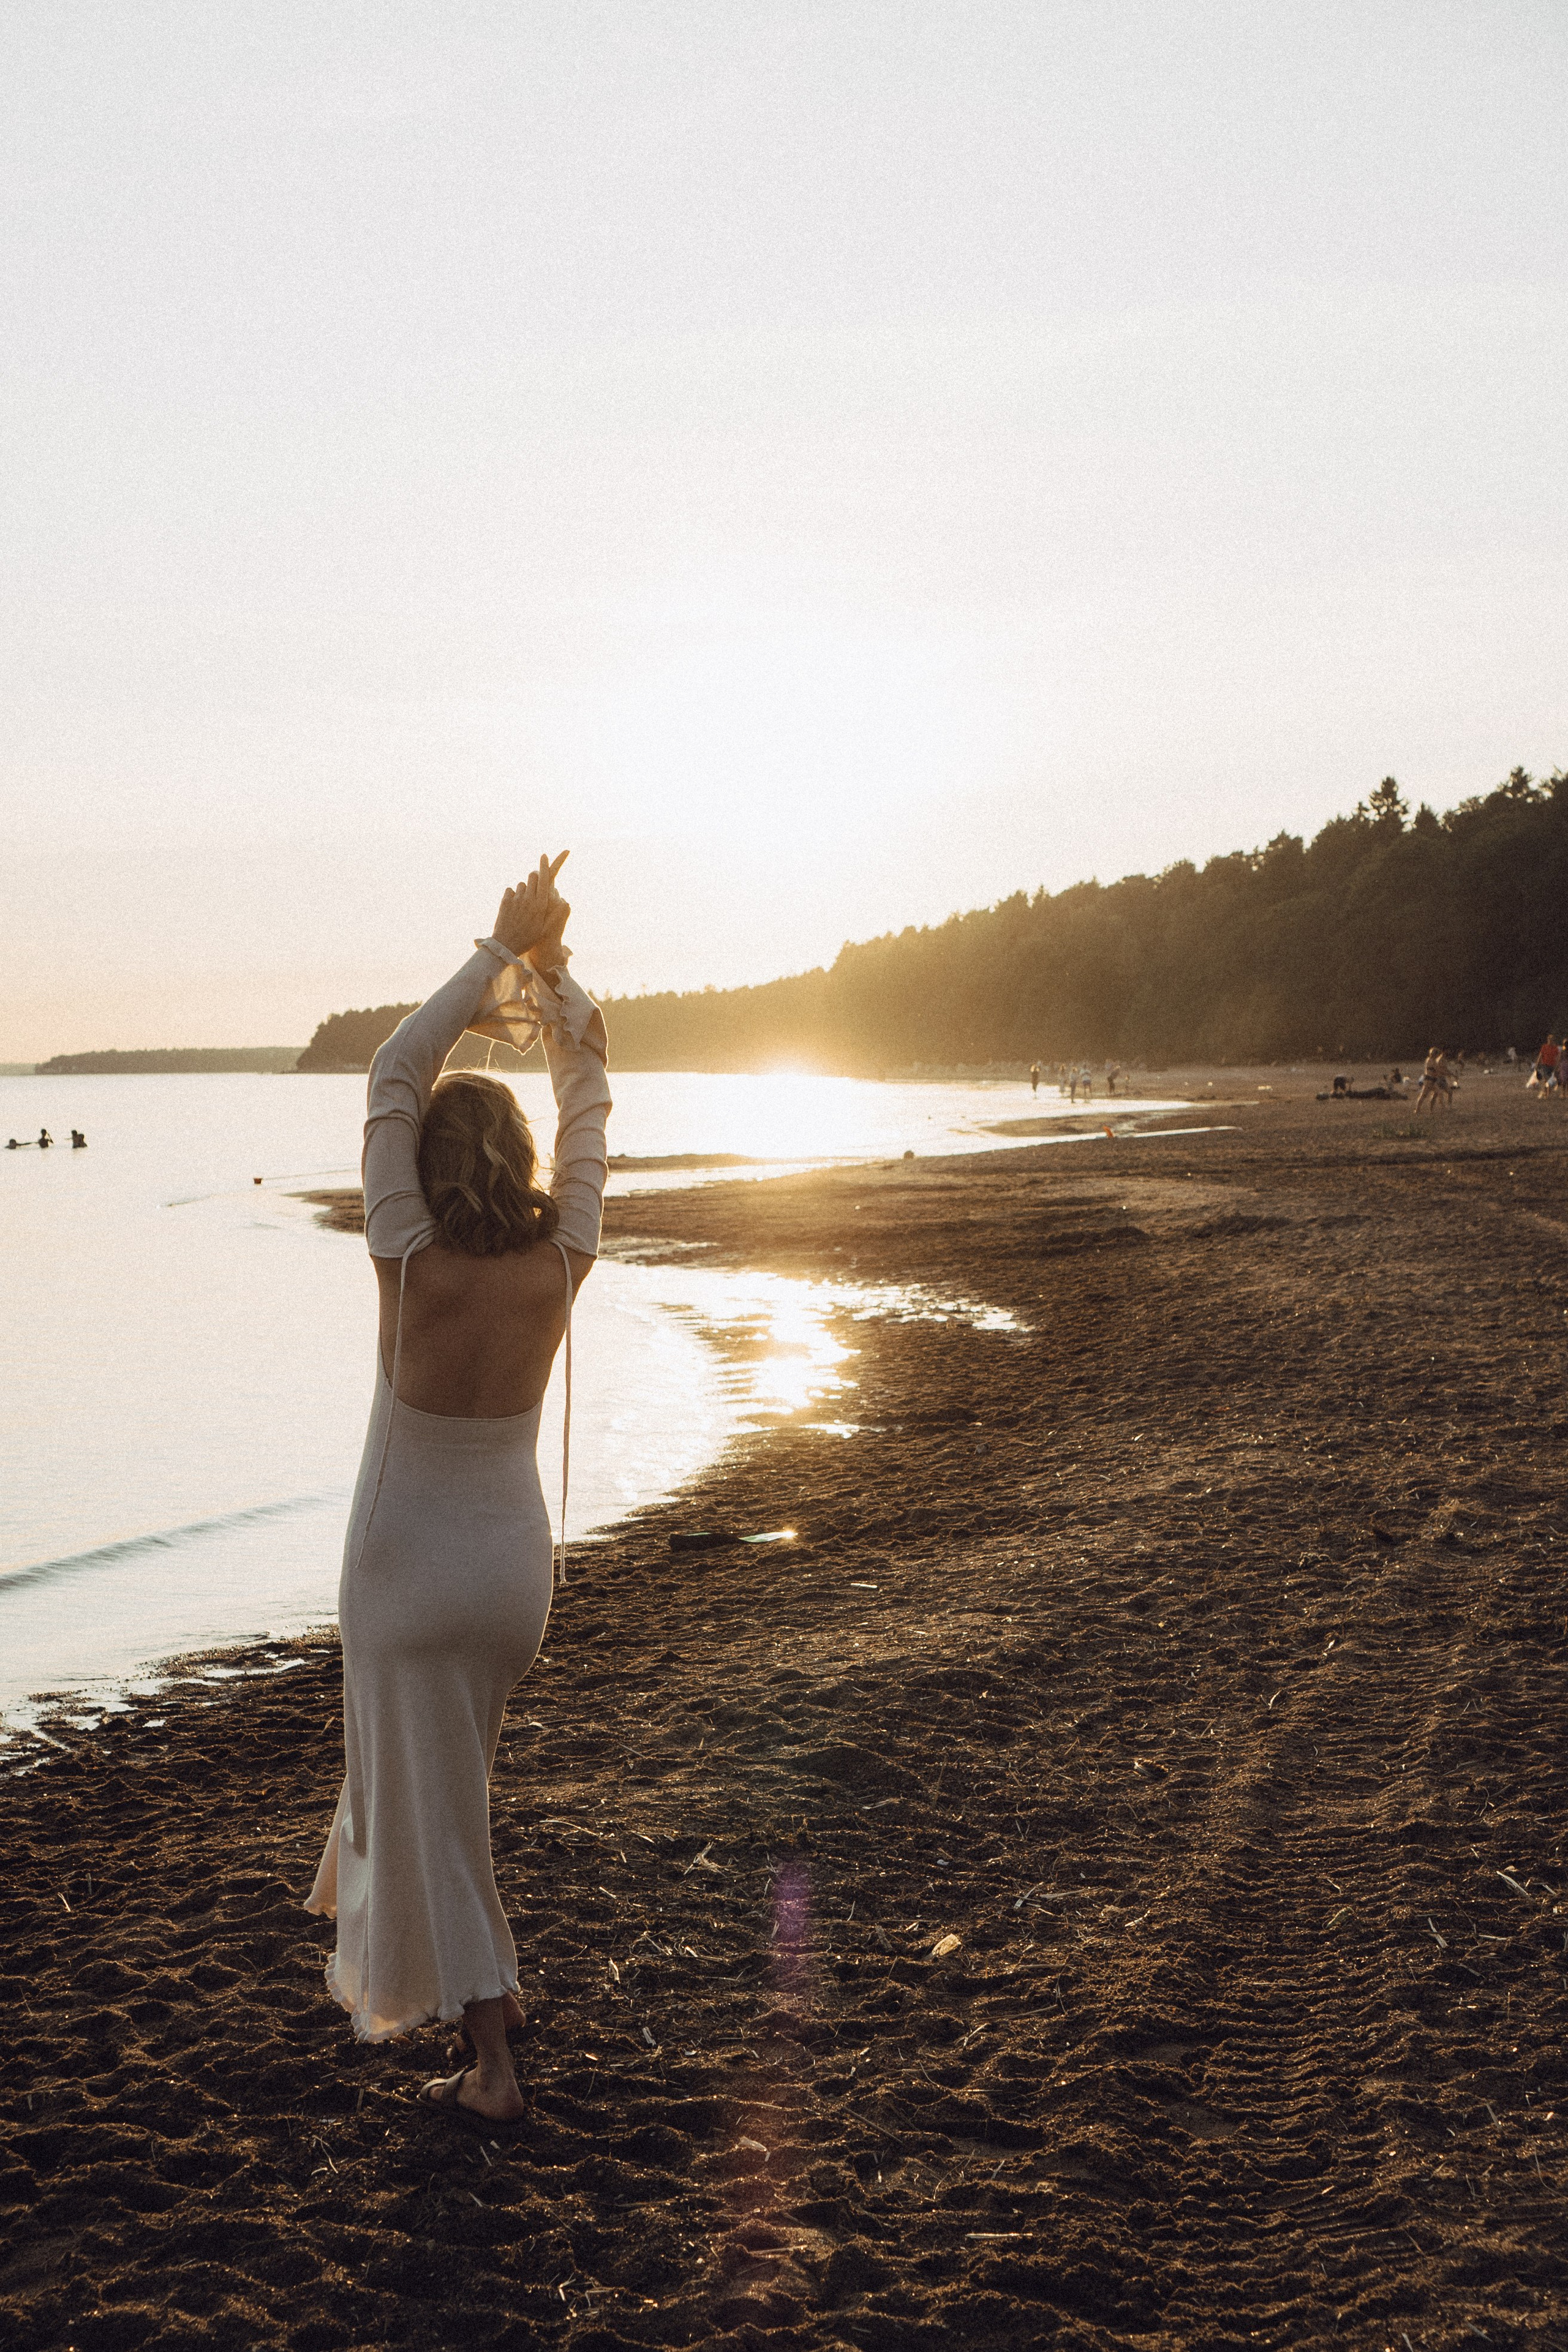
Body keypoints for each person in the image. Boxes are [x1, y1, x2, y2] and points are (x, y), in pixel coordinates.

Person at [306, 854, 611, 2127]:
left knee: (440, 1828)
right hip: (508, 1583)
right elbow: (588, 1087)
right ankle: (495, 2005)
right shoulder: (562, 1259)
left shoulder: (410, 1257)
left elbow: (393, 1070)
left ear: (429, 1169)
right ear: (523, 1159)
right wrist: (550, 977)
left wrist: (495, 953)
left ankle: (492, 2063)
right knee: (445, 1796)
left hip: (403, 1575)